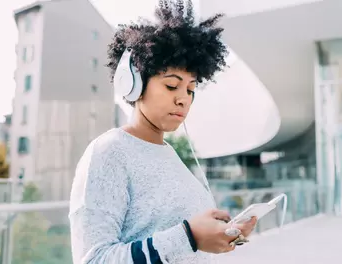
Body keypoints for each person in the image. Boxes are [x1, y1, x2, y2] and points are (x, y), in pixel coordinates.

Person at [68, 0, 257, 263]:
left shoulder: (172, 158)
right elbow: (94, 259)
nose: (184, 99)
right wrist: (189, 237)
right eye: (171, 86)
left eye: (190, 89)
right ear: (133, 83)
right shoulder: (109, 152)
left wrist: (222, 234)